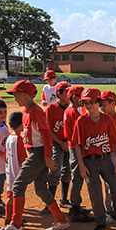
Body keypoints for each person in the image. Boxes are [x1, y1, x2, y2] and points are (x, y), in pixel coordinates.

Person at [0, 80, 68, 230]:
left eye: (15, 95)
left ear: (24, 95)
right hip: (36, 152)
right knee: (41, 189)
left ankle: (16, 224)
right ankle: (61, 219)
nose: (14, 98)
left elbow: (46, 133)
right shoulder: (27, 111)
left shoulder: (34, 111)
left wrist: (47, 157)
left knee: (18, 185)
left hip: (39, 153)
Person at [73, 87, 116, 230]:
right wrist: (81, 166)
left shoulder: (107, 120)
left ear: (98, 103)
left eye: (91, 102)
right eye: (85, 103)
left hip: (107, 159)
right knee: (95, 193)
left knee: (115, 189)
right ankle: (100, 222)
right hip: (89, 161)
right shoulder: (81, 121)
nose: (88, 106)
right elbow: (76, 144)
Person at [63, 86, 95, 223]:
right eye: (81, 97)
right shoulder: (74, 113)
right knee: (77, 177)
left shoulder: (71, 110)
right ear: (75, 98)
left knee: (77, 177)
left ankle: (76, 205)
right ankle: (75, 209)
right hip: (76, 147)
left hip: (74, 146)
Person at [44, 81, 72, 213]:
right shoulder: (51, 108)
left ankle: (64, 200)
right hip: (56, 143)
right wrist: (61, 142)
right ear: (59, 93)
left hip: (69, 143)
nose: (69, 93)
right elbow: (48, 129)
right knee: (55, 170)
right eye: (66, 91)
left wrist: (67, 141)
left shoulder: (72, 108)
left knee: (68, 170)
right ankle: (50, 203)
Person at [4, 112, 27, 225]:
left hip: (9, 170)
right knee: (16, 195)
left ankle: (8, 217)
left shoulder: (9, 138)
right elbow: (23, 158)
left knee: (10, 193)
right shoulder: (18, 139)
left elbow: (5, 156)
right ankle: (13, 218)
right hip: (17, 171)